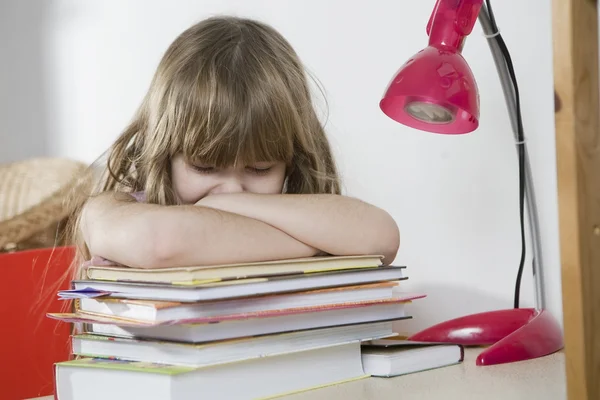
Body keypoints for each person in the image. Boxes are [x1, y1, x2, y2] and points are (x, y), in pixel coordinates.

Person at [71, 15, 400, 272]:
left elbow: (380, 236)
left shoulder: (291, 209)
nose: (231, 191)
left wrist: (234, 208)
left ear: (291, 162)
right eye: (203, 166)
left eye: (260, 169)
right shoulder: (109, 210)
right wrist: (321, 245)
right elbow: (161, 242)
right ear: (163, 153)